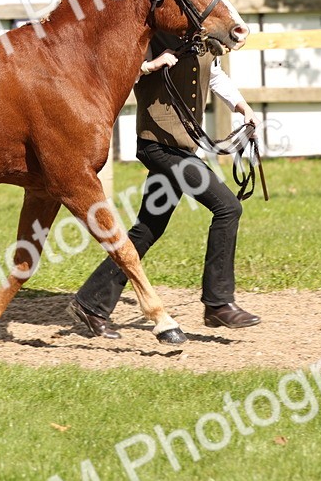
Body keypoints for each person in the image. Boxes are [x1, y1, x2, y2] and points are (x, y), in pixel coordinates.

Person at [67, 31, 262, 340]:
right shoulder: (151, 36)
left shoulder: (206, 40)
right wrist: (150, 65)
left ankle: (91, 303)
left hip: (182, 148)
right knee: (227, 207)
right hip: (159, 147)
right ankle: (218, 302)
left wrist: (241, 106)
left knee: (147, 229)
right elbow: (112, 73)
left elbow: (214, 76)